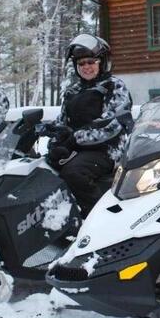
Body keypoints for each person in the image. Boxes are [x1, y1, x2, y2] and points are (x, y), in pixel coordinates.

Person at [47, 34, 132, 217]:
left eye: (91, 62)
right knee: (45, 170)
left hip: (109, 150)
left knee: (74, 173)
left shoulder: (114, 86)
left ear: (101, 62)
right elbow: (62, 121)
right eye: (81, 63)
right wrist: (55, 138)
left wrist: (74, 139)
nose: (86, 67)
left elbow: (112, 125)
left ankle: (96, 219)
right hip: (79, 149)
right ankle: (59, 219)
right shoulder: (73, 90)